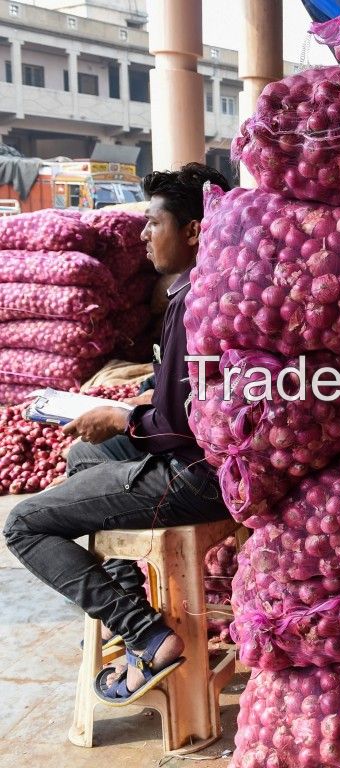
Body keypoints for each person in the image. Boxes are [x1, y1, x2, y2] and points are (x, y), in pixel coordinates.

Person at [4, 162, 232, 705]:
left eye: (153, 224)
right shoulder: (208, 289)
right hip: (211, 459)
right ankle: (137, 611)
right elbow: (188, 395)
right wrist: (142, 401)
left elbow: (179, 427)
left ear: (193, 230)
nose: (142, 236)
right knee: (85, 453)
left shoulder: (193, 301)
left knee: (22, 524)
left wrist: (125, 417)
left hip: (197, 474)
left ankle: (146, 635)